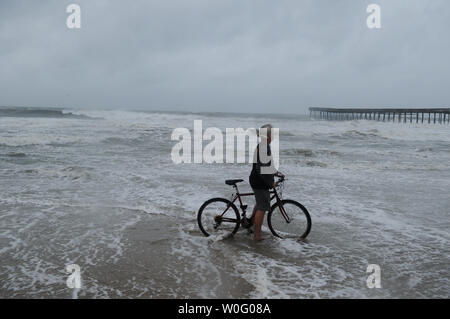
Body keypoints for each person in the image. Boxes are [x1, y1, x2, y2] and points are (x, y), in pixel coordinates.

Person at [249, 124, 283, 241]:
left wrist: (276, 172)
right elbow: (262, 170)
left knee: (260, 203)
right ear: (268, 136)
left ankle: (251, 223)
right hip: (259, 181)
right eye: (272, 133)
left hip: (256, 179)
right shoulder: (264, 147)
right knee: (262, 207)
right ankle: (257, 236)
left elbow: (267, 165)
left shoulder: (264, 146)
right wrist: (270, 183)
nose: (273, 136)